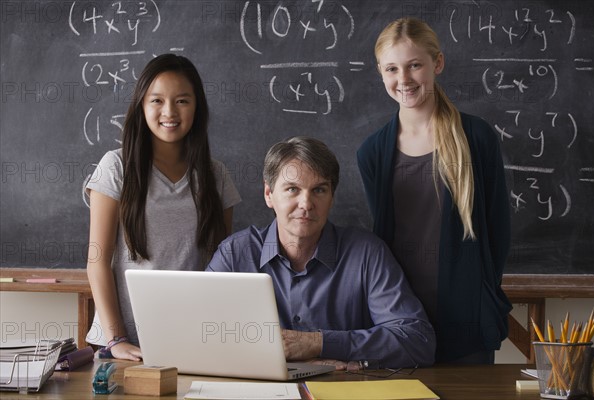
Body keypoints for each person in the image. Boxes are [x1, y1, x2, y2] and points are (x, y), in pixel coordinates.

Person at [357, 18, 512, 364]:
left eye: (415, 65)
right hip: (399, 319)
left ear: (437, 63)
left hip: (466, 320)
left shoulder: (477, 137)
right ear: (381, 72)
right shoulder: (372, 152)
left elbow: (498, 230)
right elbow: (384, 239)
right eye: (392, 69)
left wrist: (480, 292)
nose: (404, 79)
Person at [207, 136, 435, 369]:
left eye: (319, 190)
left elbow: (417, 341)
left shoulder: (367, 253)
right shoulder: (235, 254)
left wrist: (319, 342)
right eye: (292, 189)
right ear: (269, 194)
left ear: (332, 197)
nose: (306, 204)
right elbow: (200, 333)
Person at [85, 54, 241, 360]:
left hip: (189, 340)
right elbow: (97, 261)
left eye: (182, 101)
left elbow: (221, 266)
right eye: (157, 100)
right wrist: (117, 339)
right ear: (142, 105)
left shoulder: (215, 175)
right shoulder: (116, 167)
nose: (169, 111)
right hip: (122, 343)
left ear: (197, 107)